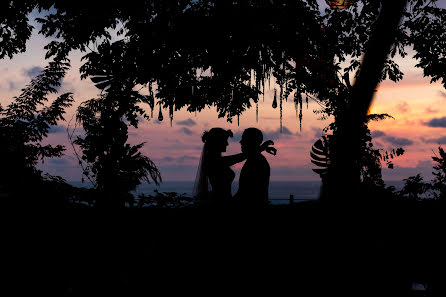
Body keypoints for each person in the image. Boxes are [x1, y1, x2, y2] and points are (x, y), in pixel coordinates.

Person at [193, 127, 275, 207]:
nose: (227, 143)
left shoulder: (216, 160)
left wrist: (259, 149)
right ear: (217, 142)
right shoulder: (213, 161)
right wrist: (260, 148)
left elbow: (240, 157)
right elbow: (240, 157)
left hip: (225, 201)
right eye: (224, 140)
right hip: (220, 202)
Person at [233, 128, 271, 207]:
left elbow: (246, 191)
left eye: (244, 139)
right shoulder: (254, 159)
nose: (240, 142)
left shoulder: (257, 161)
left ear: (252, 142)